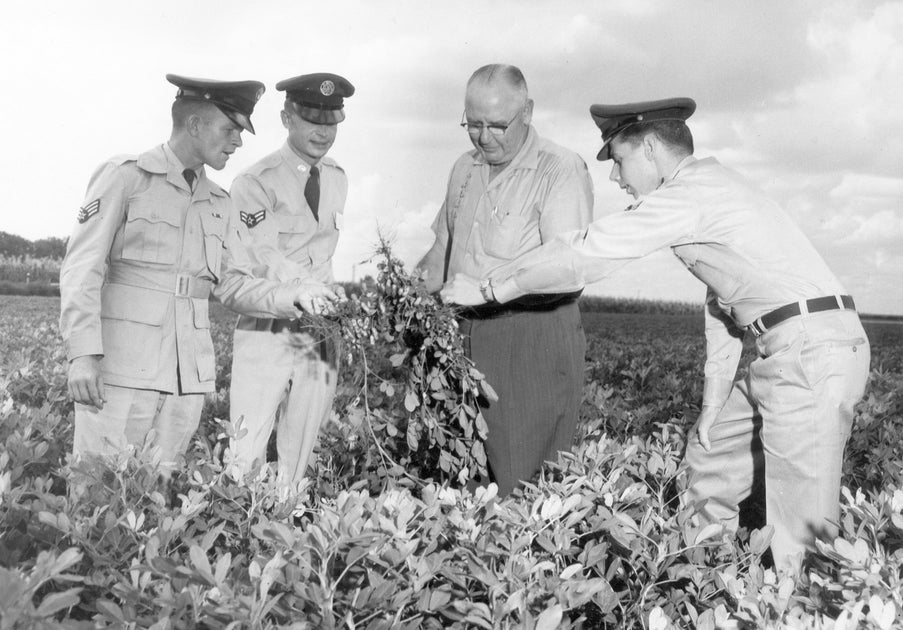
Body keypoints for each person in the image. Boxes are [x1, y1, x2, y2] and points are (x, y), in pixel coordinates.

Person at [441, 97, 871, 571]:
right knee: (709, 466)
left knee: (803, 534)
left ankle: (808, 610)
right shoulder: (709, 189)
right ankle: (714, 589)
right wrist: (712, 406)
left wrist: (489, 287)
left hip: (809, 350)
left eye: (619, 160)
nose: (614, 177)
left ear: (648, 149)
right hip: (787, 347)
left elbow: (589, 251)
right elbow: (724, 303)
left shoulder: (689, 194)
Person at [60, 74, 338, 468]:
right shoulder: (126, 177)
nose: (238, 141)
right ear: (193, 125)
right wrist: (83, 355)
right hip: (121, 376)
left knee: (160, 502)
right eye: (230, 129)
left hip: (184, 384)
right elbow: (81, 268)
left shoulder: (218, 202)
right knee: (96, 498)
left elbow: (235, 284)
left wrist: (293, 296)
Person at [417, 64, 593, 496]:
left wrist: (491, 293)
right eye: (472, 124)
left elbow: (569, 271)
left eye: (497, 125)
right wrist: (404, 294)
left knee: (521, 481)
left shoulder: (560, 170)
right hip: (462, 336)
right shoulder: (465, 168)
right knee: (460, 473)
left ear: (528, 111)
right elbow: (443, 249)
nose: (484, 137)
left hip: (530, 337)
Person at [226, 72, 354, 486]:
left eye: (330, 121)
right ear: (287, 118)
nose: (322, 131)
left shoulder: (336, 178)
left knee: (300, 451)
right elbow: (261, 257)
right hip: (269, 327)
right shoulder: (255, 182)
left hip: (320, 335)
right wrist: (308, 291)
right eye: (311, 118)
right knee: (245, 453)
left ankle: (287, 533)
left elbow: (324, 253)